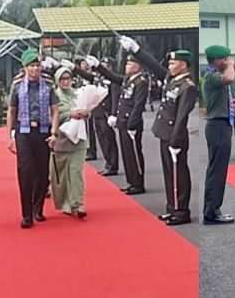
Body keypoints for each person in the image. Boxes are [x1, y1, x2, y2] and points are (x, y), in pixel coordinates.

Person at [118, 36, 197, 226]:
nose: (169, 66)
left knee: (178, 174)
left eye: (173, 63)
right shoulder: (172, 79)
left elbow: (181, 117)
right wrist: (136, 50)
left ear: (184, 65)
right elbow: (154, 66)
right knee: (169, 173)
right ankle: (172, 207)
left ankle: (181, 211)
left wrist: (176, 141)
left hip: (175, 136)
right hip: (164, 134)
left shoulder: (187, 86)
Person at [7, 49, 59, 229]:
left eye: (37, 65)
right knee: (26, 171)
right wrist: (10, 136)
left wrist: (54, 132)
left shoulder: (48, 85)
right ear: (25, 67)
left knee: (42, 172)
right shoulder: (17, 85)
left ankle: (38, 208)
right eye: (32, 66)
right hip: (23, 132)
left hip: (43, 131)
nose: (35, 69)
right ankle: (26, 214)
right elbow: (11, 111)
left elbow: (54, 110)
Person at [92, 54, 148, 195]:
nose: (126, 67)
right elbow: (112, 77)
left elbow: (138, 105)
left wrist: (132, 125)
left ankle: (138, 183)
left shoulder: (141, 81)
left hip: (131, 124)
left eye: (129, 64)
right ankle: (131, 182)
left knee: (134, 154)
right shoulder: (127, 80)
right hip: (123, 122)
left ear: (137, 67)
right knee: (127, 154)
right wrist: (98, 66)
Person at [201, 45, 235, 225]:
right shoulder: (212, 76)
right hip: (218, 126)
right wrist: (230, 67)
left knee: (218, 170)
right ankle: (211, 212)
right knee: (217, 171)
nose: (228, 62)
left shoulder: (214, 74)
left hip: (221, 125)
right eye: (225, 59)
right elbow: (229, 78)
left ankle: (213, 209)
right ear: (215, 61)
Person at [50, 66, 90, 219]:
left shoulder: (79, 94)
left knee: (75, 171)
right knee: (60, 175)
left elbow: (89, 109)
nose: (66, 82)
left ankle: (77, 204)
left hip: (79, 140)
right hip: (61, 141)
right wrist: (69, 114)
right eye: (62, 79)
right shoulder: (54, 96)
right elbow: (51, 116)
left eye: (68, 78)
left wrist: (86, 113)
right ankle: (65, 202)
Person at [74, 59, 118, 176]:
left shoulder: (112, 80)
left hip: (105, 113)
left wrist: (113, 113)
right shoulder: (98, 78)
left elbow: (115, 97)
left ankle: (112, 165)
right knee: (102, 139)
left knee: (108, 140)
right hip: (97, 112)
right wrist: (74, 68)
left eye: (105, 66)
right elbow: (87, 76)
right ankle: (108, 163)